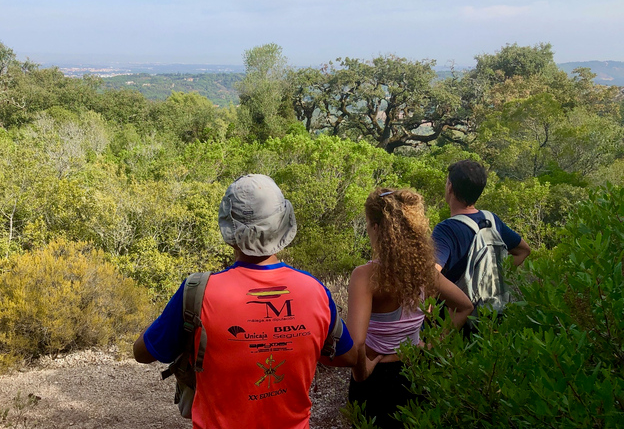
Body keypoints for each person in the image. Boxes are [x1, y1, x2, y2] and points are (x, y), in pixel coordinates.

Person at [133, 174, 357, 429]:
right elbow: (348, 356)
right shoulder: (314, 291)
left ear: (229, 229)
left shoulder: (197, 292)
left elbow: (143, 353)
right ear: (283, 225)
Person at [347, 188, 473, 429]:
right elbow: (464, 307)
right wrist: (431, 345)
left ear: (376, 229)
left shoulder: (365, 276)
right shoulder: (424, 272)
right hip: (416, 370)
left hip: (377, 376)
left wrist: (362, 373)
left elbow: (357, 342)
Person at [432, 160, 531, 283]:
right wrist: (495, 275)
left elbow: (432, 275)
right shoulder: (491, 220)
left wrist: (462, 302)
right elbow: (523, 251)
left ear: (450, 187)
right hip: (491, 302)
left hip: (456, 302)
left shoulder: (446, 230)